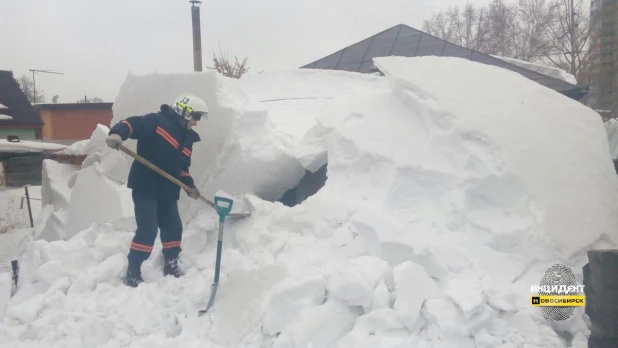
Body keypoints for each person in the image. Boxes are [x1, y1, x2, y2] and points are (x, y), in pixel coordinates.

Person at [105, 93, 208, 287]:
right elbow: (133, 124)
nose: (196, 123)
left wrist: (190, 186)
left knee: (173, 227)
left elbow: (182, 169)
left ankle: (171, 262)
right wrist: (117, 133)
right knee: (148, 228)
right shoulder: (157, 122)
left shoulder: (187, 140)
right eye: (196, 117)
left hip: (168, 189)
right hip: (145, 185)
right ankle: (133, 269)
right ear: (185, 113)